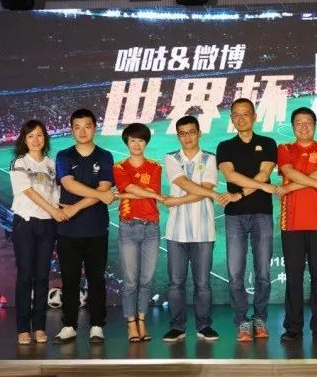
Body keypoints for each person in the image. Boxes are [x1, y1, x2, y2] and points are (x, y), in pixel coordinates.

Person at [161, 116, 234, 343]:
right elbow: (183, 182)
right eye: (182, 133)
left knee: (203, 284)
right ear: (178, 136)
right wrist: (212, 195)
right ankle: (177, 326)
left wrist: (176, 201)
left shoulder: (210, 158)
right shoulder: (171, 157)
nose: (187, 137)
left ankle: (204, 325)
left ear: (199, 133)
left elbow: (205, 188)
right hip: (176, 232)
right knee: (176, 284)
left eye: (191, 132)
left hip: (203, 231)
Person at [216, 98, 279, 342]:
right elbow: (231, 175)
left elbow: (264, 174)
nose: (241, 118)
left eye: (245, 114)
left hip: (262, 213)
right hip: (234, 217)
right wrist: (262, 187)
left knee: (263, 272)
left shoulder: (268, 143)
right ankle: (242, 320)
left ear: (254, 116)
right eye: (236, 115)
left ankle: (260, 318)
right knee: (235, 273)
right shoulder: (225, 146)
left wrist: (239, 194)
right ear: (231, 119)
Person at [53, 109, 116, 344]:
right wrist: (100, 196)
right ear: (71, 130)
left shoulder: (105, 156)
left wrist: (74, 208)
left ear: (94, 128)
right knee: (69, 280)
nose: (82, 131)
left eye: (87, 126)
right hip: (68, 230)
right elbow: (69, 184)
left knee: (96, 279)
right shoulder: (63, 156)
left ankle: (97, 326)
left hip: (96, 229)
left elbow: (105, 187)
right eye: (77, 127)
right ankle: (69, 326)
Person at [277, 107, 317, 341]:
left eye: (308, 122)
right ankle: (293, 327)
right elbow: (288, 171)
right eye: (299, 123)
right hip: (291, 222)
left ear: (314, 125)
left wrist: (289, 188)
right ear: (293, 127)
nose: (303, 127)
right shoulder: (285, 148)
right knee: (294, 277)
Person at [9, 120, 65, 345]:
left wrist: (62, 210)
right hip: (26, 223)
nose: (35, 140)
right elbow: (28, 191)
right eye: (30, 136)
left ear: (45, 138)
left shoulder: (52, 164)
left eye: (39, 135)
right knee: (25, 276)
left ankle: (39, 327)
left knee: (42, 277)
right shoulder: (19, 162)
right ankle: (23, 328)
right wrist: (53, 210)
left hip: (48, 225)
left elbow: (57, 193)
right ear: (24, 139)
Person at [111, 122, 167, 343]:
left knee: (146, 280)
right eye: (133, 140)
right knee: (130, 281)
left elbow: (151, 191)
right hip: (128, 226)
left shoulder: (155, 166)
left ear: (146, 143)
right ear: (127, 142)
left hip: (151, 227)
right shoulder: (119, 167)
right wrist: (144, 193)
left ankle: (142, 321)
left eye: (141, 140)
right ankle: (131, 324)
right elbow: (131, 188)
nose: (136, 144)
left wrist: (122, 195)